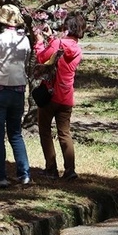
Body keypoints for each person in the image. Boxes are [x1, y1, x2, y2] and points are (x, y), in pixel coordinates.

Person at [0, 4, 32, 188]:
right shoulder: (24, 40)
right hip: (18, 89)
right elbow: (26, 60)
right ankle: (24, 174)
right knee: (15, 133)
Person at [33, 11, 86, 181]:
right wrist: (52, 39)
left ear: (65, 27)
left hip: (50, 95)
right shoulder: (77, 49)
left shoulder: (58, 43)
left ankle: (51, 169)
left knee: (45, 131)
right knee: (65, 133)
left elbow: (43, 58)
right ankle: (70, 170)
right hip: (66, 97)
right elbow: (59, 56)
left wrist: (40, 43)